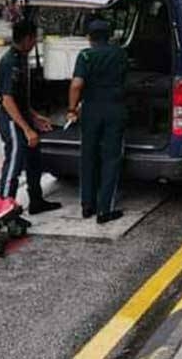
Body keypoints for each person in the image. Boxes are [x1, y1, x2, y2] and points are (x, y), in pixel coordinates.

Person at [0, 20, 61, 215]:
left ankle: (36, 200)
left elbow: (20, 98)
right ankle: (5, 209)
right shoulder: (10, 62)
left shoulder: (22, 58)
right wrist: (27, 128)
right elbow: (7, 100)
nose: (35, 44)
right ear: (27, 39)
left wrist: (35, 116)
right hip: (12, 121)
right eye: (34, 39)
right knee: (13, 165)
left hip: (23, 117)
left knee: (34, 161)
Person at [67, 19, 128, 224]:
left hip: (91, 109)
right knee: (111, 158)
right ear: (109, 36)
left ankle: (87, 205)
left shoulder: (85, 55)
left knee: (88, 155)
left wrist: (72, 109)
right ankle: (104, 210)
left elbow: (76, 85)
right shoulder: (119, 53)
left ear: (89, 38)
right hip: (114, 109)